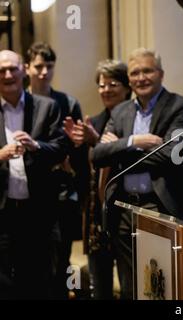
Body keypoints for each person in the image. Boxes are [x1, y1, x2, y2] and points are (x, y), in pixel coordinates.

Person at [92, 48, 183, 299]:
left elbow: (173, 154)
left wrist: (118, 148)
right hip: (122, 208)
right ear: (129, 79)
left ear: (160, 74)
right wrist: (134, 141)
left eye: (147, 71)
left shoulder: (180, 105)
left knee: (159, 284)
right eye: (135, 73)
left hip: (158, 205)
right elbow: (97, 155)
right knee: (129, 285)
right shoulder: (120, 111)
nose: (141, 77)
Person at [24, 42, 90, 299]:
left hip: (60, 189)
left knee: (60, 255)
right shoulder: (19, 100)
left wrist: (73, 147)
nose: (43, 72)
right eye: (38, 66)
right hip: (25, 189)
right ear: (27, 67)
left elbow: (76, 148)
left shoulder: (67, 102)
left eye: (48, 66)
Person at [0, 50, 66, 299]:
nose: (8, 75)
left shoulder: (47, 107)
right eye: (1, 70)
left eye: (13, 69)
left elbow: (61, 149)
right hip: (3, 213)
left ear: (24, 70)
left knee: (37, 281)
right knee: (4, 283)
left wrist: (36, 145)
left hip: (38, 211)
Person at [64, 59, 131, 299]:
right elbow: (85, 170)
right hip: (95, 213)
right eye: (101, 85)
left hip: (122, 212)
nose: (106, 90)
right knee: (98, 285)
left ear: (127, 86)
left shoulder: (133, 118)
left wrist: (97, 143)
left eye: (112, 84)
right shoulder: (95, 121)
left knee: (129, 285)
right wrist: (78, 147)